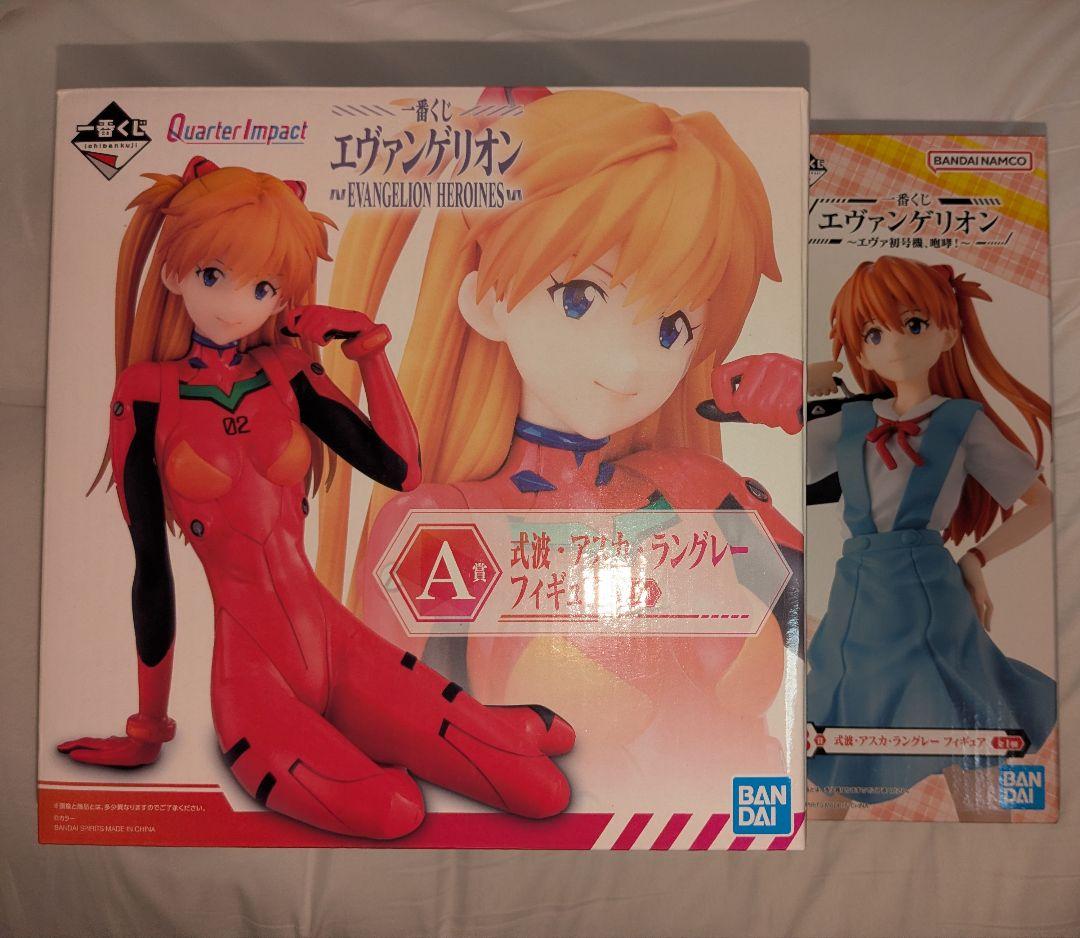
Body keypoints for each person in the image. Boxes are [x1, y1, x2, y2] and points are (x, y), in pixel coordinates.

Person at [57, 156, 574, 839]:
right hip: (253, 679)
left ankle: (480, 728)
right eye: (213, 274)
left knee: (543, 792)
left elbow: (401, 470)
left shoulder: (286, 370)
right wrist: (147, 730)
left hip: (342, 647)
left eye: (263, 286)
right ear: (175, 272)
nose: (237, 302)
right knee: (395, 809)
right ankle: (479, 727)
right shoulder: (145, 394)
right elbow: (150, 566)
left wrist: (369, 351)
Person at [315, 88, 805, 789]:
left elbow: (820, 626)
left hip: (731, 820)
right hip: (534, 827)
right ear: (486, 301)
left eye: (672, 327)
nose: (629, 364)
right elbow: (388, 728)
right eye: (580, 297)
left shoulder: (698, 493)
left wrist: (831, 412)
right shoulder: (445, 526)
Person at [804, 255, 1056, 818]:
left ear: (947, 332)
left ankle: (990, 859)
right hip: (858, 596)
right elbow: (777, 460)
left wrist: (978, 557)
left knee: (965, 729)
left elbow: (1043, 504)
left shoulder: (962, 421)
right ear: (860, 351)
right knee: (835, 733)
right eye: (873, 333)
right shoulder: (848, 420)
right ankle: (818, 856)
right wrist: (811, 387)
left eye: (913, 324)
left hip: (932, 595)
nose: (894, 343)